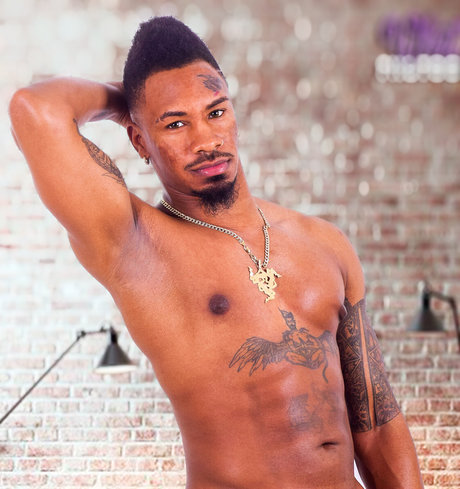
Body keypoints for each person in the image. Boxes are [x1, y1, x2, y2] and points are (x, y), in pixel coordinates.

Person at [9, 16, 423, 489]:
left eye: (216, 111)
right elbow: (33, 109)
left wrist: (154, 106)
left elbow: (377, 423)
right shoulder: (136, 245)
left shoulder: (326, 243)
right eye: (175, 123)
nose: (206, 141)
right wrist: (128, 99)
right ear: (140, 140)